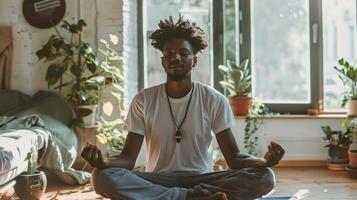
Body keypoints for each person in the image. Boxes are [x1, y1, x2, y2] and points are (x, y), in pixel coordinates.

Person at [81, 15, 285, 200]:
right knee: (101, 176)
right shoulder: (144, 99)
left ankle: (175, 197)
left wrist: (263, 161)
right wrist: (104, 162)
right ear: (162, 61)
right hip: (157, 179)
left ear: (194, 61)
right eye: (169, 53)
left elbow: (233, 158)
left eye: (183, 53)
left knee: (266, 177)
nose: (175, 57)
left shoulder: (213, 99)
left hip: (203, 178)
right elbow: (128, 159)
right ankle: (192, 198)